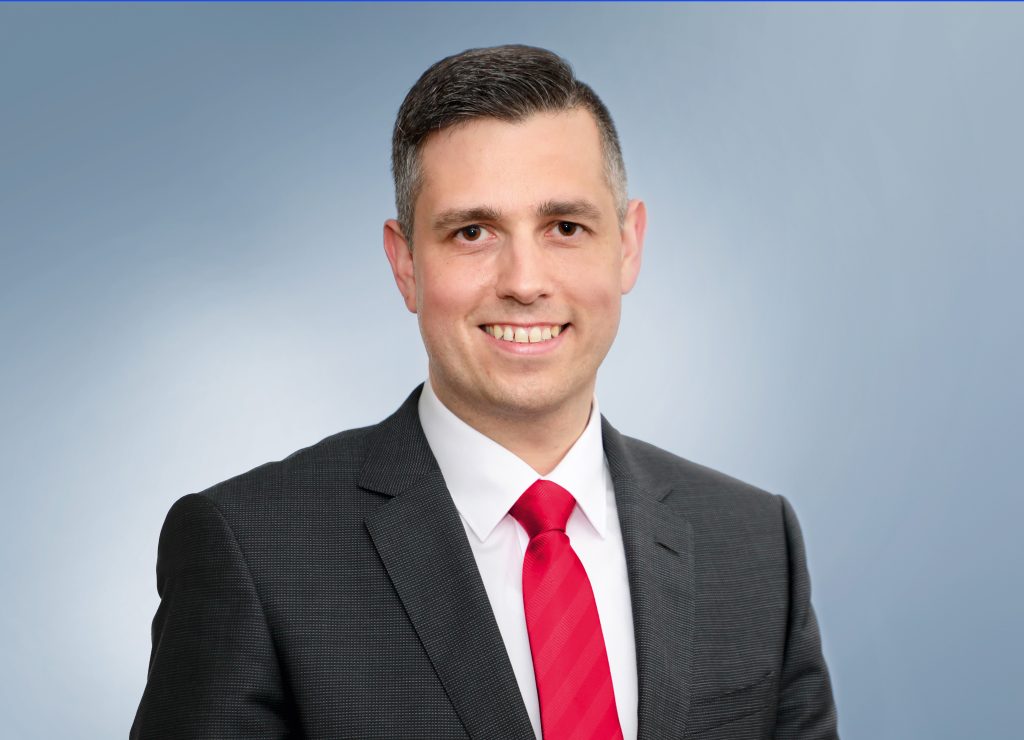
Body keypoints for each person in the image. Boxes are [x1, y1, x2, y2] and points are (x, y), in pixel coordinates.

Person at [131, 45, 838, 740]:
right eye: (473, 232)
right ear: (406, 264)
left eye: (565, 227)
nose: (524, 282)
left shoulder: (755, 543)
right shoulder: (253, 551)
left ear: (628, 246)